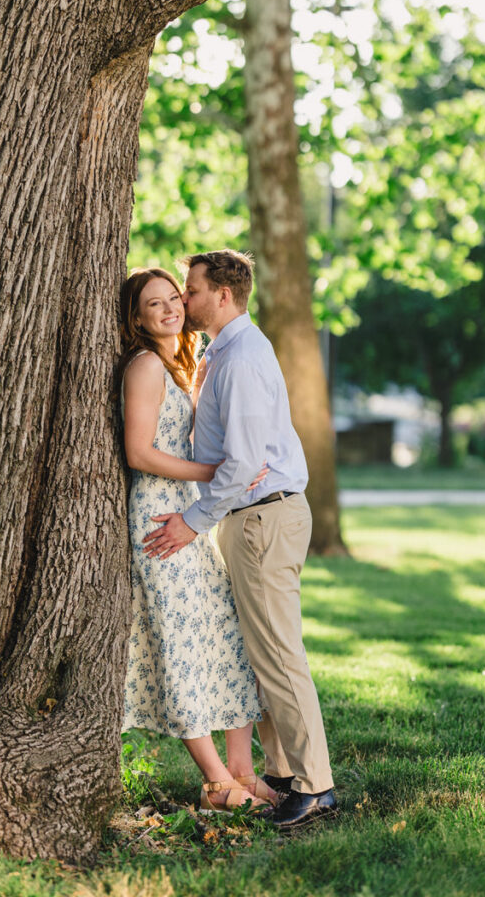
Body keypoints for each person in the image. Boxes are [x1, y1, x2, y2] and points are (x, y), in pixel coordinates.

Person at [142, 250, 337, 830]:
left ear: (223, 295)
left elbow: (246, 460)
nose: (184, 299)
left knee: (278, 654)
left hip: (263, 518)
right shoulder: (220, 351)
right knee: (261, 654)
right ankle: (281, 770)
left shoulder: (243, 357)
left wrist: (193, 520)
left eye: (192, 290)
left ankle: (315, 786)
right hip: (249, 518)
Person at [119, 266, 278, 813]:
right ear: (137, 317)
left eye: (174, 298)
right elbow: (139, 454)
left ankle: (242, 768)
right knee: (181, 644)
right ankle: (216, 783)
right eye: (154, 304)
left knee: (226, 636)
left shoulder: (186, 362)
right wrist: (214, 472)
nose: (170, 309)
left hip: (189, 515)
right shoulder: (144, 366)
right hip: (160, 520)